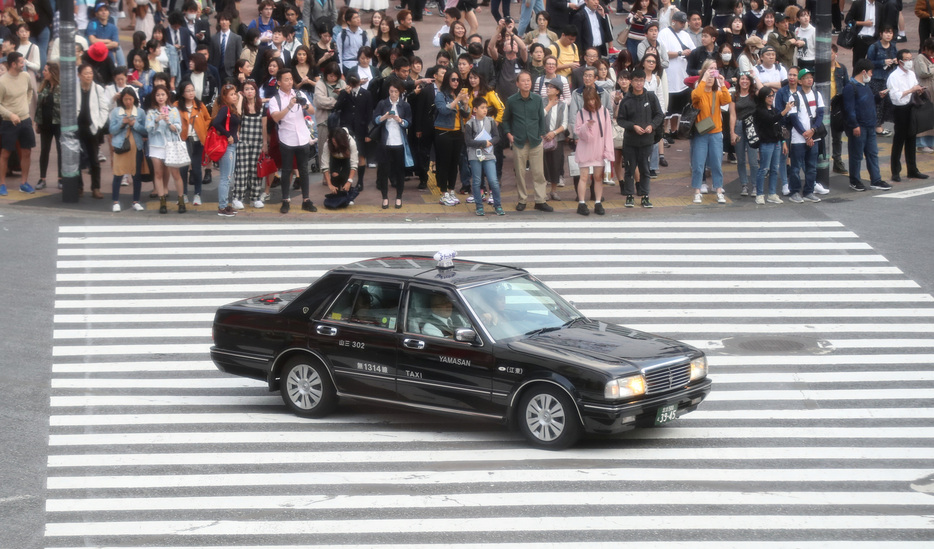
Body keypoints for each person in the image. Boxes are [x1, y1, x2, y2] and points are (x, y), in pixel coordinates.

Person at [502, 71, 553, 212]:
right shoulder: (512, 100)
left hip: (536, 140)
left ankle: (540, 200)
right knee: (520, 173)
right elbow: (505, 119)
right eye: (523, 81)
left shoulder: (537, 99)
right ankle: (522, 200)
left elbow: (541, 118)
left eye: (528, 80)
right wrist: (509, 134)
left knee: (539, 173)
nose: (526, 83)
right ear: (517, 84)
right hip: (518, 141)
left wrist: (541, 134)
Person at [269, 70, 319, 213]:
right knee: (286, 170)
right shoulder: (275, 100)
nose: (290, 82)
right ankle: (285, 200)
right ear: (279, 83)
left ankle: (306, 200)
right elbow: (276, 117)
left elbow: (312, 111)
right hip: (287, 138)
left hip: (302, 136)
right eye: (286, 79)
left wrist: (304, 105)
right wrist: (290, 106)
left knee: (303, 169)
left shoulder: (300, 94)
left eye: (291, 79)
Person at [618, 68, 664, 209]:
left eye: (641, 81)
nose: (639, 83)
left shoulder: (650, 97)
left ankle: (645, 196)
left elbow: (659, 115)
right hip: (630, 141)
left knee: (645, 168)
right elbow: (621, 120)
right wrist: (633, 126)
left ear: (644, 81)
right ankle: (629, 195)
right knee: (630, 169)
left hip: (647, 140)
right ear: (631, 82)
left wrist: (652, 126)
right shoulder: (626, 100)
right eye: (636, 80)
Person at [690, 62, 732, 204]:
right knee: (698, 163)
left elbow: (727, 100)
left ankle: (718, 189)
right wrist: (703, 80)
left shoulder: (717, 92)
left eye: (713, 73)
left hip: (715, 132)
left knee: (716, 163)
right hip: (701, 132)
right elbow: (696, 96)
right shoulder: (699, 91)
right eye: (709, 72)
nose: (711, 76)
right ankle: (697, 191)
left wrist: (722, 83)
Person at [844, 58, 888, 192]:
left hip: (870, 126)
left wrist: (878, 97)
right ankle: (855, 180)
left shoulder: (865, 86)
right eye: (870, 72)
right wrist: (855, 125)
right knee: (856, 155)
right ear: (863, 72)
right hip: (859, 127)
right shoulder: (850, 87)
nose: (871, 75)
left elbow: (869, 102)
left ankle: (876, 180)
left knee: (872, 154)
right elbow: (849, 109)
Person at [887, 49, 930, 182]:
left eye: (910, 58)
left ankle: (912, 169)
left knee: (911, 138)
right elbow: (895, 97)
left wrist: (918, 90)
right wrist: (911, 90)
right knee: (899, 140)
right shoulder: (894, 77)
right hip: (900, 110)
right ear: (900, 61)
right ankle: (895, 171)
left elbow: (914, 87)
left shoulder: (911, 74)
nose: (909, 62)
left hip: (912, 107)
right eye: (907, 59)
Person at [572, 87, 614, 215]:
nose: (591, 102)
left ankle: (597, 202)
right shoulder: (580, 113)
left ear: (597, 98)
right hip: (585, 148)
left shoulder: (605, 112)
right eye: (588, 100)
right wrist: (586, 126)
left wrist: (608, 151)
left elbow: (607, 132)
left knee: (597, 177)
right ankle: (581, 203)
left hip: (599, 148)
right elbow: (578, 132)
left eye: (593, 99)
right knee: (584, 176)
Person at [145, 84, 186, 213]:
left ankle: (181, 200)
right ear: (154, 97)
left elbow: (178, 129)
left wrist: (168, 122)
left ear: (167, 95)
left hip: (171, 145)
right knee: (158, 173)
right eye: (158, 95)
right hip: (156, 146)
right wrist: (156, 120)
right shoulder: (151, 112)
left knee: (175, 174)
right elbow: (148, 129)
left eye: (163, 94)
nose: (160, 97)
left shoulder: (173, 110)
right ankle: (162, 201)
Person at [785, 68, 824, 204]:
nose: (809, 80)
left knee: (812, 166)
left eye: (811, 77)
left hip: (814, 136)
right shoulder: (794, 97)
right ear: (800, 81)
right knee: (796, 167)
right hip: (798, 138)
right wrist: (806, 135)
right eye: (806, 77)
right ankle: (795, 191)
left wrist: (813, 130)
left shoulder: (817, 94)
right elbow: (794, 119)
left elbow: (820, 114)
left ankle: (808, 191)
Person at [372, 81, 413, 209]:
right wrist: (384, 117)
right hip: (385, 142)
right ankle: (385, 198)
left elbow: (409, 122)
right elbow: (375, 120)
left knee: (399, 172)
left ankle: (399, 197)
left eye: (396, 92)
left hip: (399, 142)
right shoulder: (382, 103)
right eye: (391, 91)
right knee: (384, 171)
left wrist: (400, 120)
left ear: (399, 92)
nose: (393, 94)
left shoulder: (405, 105)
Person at [434, 69, 470, 205]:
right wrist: (457, 100)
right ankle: (444, 193)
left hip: (457, 132)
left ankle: (451, 190)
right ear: (447, 81)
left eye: (457, 80)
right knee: (444, 164)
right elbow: (443, 110)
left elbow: (466, 114)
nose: (456, 82)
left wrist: (465, 102)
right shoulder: (441, 95)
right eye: (453, 79)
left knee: (454, 164)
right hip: (443, 133)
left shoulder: (458, 95)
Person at [464, 97, 505, 216]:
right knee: (477, 181)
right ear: (475, 109)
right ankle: (479, 206)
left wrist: (490, 142)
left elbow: (497, 137)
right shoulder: (469, 123)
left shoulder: (491, 121)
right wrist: (483, 143)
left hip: (488, 153)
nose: (485, 110)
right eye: (482, 108)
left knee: (493, 180)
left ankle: (498, 205)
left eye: (486, 107)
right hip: (474, 155)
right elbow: (468, 141)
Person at [109, 87, 147, 212]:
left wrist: (134, 124)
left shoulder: (140, 112)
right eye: (125, 99)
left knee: (136, 175)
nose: (128, 102)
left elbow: (145, 131)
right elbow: (112, 130)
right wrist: (122, 123)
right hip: (121, 146)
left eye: (130, 99)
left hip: (136, 147)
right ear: (122, 99)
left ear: (134, 99)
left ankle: (136, 201)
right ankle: (115, 201)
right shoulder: (116, 112)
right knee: (118, 173)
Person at [658, 10, 693, 142]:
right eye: (681, 22)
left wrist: (689, 53)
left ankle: (674, 131)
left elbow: (693, 49)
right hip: (670, 75)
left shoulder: (685, 34)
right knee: (668, 107)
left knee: (678, 108)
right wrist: (680, 53)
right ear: (674, 21)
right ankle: (664, 131)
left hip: (682, 75)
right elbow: (663, 53)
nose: (683, 24)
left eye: (684, 22)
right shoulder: (664, 34)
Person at [231, 80, 267, 210]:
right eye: (246, 89)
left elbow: (264, 126)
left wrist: (265, 143)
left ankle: (255, 198)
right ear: (243, 92)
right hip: (243, 141)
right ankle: (237, 198)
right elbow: (238, 116)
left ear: (256, 90)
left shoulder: (262, 106)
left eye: (252, 89)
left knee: (256, 171)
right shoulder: (241, 105)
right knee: (242, 170)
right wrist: (240, 99)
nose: (249, 91)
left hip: (257, 141)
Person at [175, 81, 211, 206]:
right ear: (182, 93)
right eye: (188, 91)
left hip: (197, 141)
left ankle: (197, 194)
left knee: (196, 169)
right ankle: (183, 194)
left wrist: (202, 128)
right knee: (183, 169)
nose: (191, 93)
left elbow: (208, 119)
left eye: (192, 90)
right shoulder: (177, 106)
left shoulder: (200, 105)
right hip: (183, 140)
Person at [753, 86, 791, 204]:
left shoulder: (773, 109)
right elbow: (771, 120)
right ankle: (759, 194)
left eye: (772, 95)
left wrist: (783, 141)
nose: (771, 98)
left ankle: (772, 193)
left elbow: (778, 127)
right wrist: (785, 111)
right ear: (763, 97)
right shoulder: (759, 110)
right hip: (766, 143)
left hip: (776, 142)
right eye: (768, 96)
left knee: (775, 169)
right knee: (764, 169)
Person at [211, 84, 242, 216]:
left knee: (228, 177)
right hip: (227, 147)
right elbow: (215, 122)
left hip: (232, 146)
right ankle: (222, 207)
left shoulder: (232, 108)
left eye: (235, 93)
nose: (234, 96)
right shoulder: (224, 109)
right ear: (224, 97)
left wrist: (234, 134)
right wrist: (228, 135)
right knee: (225, 177)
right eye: (231, 94)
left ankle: (225, 204)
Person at [729, 72, 760, 198]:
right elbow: (732, 114)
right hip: (739, 126)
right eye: (742, 79)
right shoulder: (734, 95)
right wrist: (732, 132)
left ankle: (755, 185)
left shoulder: (755, 95)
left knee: (753, 160)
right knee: (740, 159)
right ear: (738, 81)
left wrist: (755, 76)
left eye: (747, 79)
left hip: (752, 126)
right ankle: (744, 185)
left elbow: (763, 89)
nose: (744, 81)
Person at [867, 26, 898, 136]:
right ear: (881, 34)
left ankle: (881, 124)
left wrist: (895, 61)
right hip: (877, 78)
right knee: (878, 103)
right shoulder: (874, 47)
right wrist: (882, 62)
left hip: (889, 78)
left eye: (890, 33)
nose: (888, 35)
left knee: (887, 103)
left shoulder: (893, 47)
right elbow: (869, 63)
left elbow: (898, 58)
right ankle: (877, 127)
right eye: (886, 32)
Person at [35, 62, 60, 192]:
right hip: (45, 124)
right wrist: (37, 123)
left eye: (46, 70)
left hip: (58, 124)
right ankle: (42, 178)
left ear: (53, 73)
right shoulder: (43, 86)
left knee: (61, 151)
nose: (43, 72)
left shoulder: (61, 87)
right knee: (44, 151)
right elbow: (38, 107)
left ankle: (60, 179)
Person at [541, 78, 567, 201]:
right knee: (543, 165)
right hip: (543, 138)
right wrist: (550, 105)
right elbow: (539, 117)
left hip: (558, 139)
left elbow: (565, 124)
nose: (548, 89)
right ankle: (544, 192)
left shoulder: (562, 105)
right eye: (548, 86)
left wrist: (554, 132)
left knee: (555, 165)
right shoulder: (541, 102)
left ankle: (554, 191)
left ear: (558, 91)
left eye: (551, 87)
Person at [322, 126, 359, 203]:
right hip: (335, 158)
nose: (334, 144)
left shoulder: (351, 142)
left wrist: (349, 182)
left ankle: (348, 194)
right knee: (334, 175)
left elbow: (354, 163)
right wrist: (329, 184)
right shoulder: (327, 143)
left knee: (345, 177)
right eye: (333, 142)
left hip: (346, 159)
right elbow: (324, 164)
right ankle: (336, 194)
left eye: (336, 142)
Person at [212, 11, 243, 82]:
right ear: (219, 22)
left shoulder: (236, 38)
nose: (224, 22)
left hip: (231, 72)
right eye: (222, 20)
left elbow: (239, 56)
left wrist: (238, 71)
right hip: (217, 70)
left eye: (226, 20)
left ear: (230, 22)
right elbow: (212, 55)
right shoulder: (214, 38)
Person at [337, 9, 367, 74]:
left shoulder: (363, 34)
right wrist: (341, 72)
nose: (358, 19)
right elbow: (339, 54)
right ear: (348, 22)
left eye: (358, 17)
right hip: (346, 65)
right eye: (355, 18)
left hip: (360, 65)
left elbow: (368, 53)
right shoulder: (342, 35)